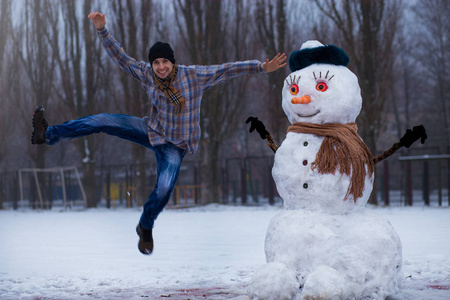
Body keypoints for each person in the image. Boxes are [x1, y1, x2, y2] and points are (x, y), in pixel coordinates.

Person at [31, 11, 287, 255]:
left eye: (165, 61)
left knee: (165, 186)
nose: (161, 67)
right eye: (156, 62)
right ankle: (49, 134)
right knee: (103, 119)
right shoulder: (146, 74)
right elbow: (121, 58)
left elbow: (226, 69)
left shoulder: (193, 76)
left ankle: (145, 225)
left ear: (172, 62)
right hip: (151, 130)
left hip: (175, 146)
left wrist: (261, 68)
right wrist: (102, 31)